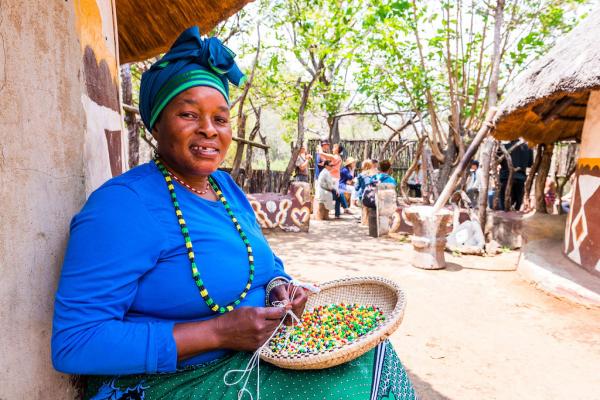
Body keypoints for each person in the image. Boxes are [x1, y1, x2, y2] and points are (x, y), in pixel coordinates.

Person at [50, 27, 416, 400]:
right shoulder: (122, 206)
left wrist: (279, 290)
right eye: (189, 114)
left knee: (376, 358)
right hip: (168, 381)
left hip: (248, 355)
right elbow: (75, 342)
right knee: (350, 389)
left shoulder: (225, 188)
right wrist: (219, 332)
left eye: (221, 119)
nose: (209, 130)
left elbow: (267, 263)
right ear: (156, 123)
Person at [499, 140, 533, 211]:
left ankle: (504, 214)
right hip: (520, 177)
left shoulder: (504, 147)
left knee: (503, 201)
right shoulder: (528, 148)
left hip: (506, 177)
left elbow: (499, 161)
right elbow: (530, 163)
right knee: (518, 201)